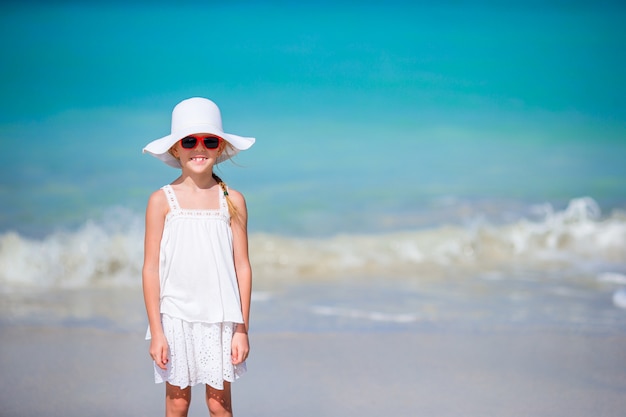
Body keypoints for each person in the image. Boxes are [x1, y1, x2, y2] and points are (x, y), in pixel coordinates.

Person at [142, 97, 255, 417]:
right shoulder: (161, 201)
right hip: (175, 318)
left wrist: (241, 328)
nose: (199, 147)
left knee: (219, 406)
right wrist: (156, 330)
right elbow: (150, 268)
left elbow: (243, 267)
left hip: (220, 319)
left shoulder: (232, 200)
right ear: (176, 148)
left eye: (209, 140)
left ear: (220, 147)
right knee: (177, 403)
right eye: (189, 140)